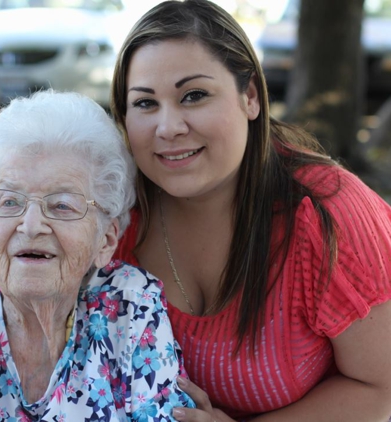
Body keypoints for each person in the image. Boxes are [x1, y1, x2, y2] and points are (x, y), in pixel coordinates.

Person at [110, 1, 391, 421]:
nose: (168, 127)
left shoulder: (327, 214)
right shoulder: (112, 215)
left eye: (194, 95)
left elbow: (382, 390)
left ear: (251, 98)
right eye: (146, 104)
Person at [0, 90, 194, 420]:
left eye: (62, 205)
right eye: (9, 202)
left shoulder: (131, 307)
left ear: (105, 241)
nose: (31, 226)